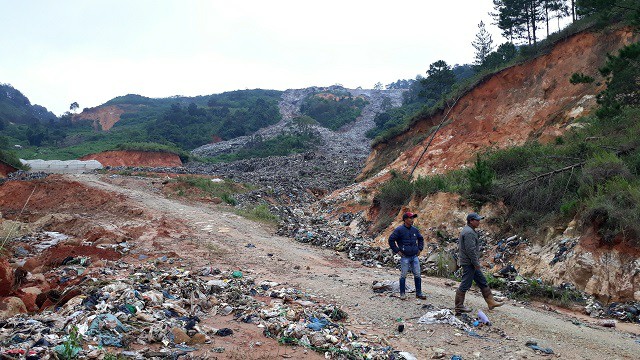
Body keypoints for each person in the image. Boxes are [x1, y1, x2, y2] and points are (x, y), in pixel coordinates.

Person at [455, 212, 503, 315]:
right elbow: (470, 250)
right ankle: (459, 307)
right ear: (471, 221)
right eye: (477, 220)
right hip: (469, 263)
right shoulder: (469, 233)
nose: (479, 222)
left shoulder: (470, 231)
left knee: (482, 281)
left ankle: (491, 302)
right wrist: (476, 263)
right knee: (465, 284)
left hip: (470, 262)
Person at [388, 211, 427, 300]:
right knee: (403, 275)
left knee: (417, 274)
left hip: (414, 256)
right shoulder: (399, 230)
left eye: (413, 218)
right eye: (410, 218)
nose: (412, 220)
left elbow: (420, 239)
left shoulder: (415, 230)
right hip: (405, 257)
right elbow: (391, 240)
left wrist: (420, 249)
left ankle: (419, 293)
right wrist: (397, 251)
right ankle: (402, 294)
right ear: (405, 219)